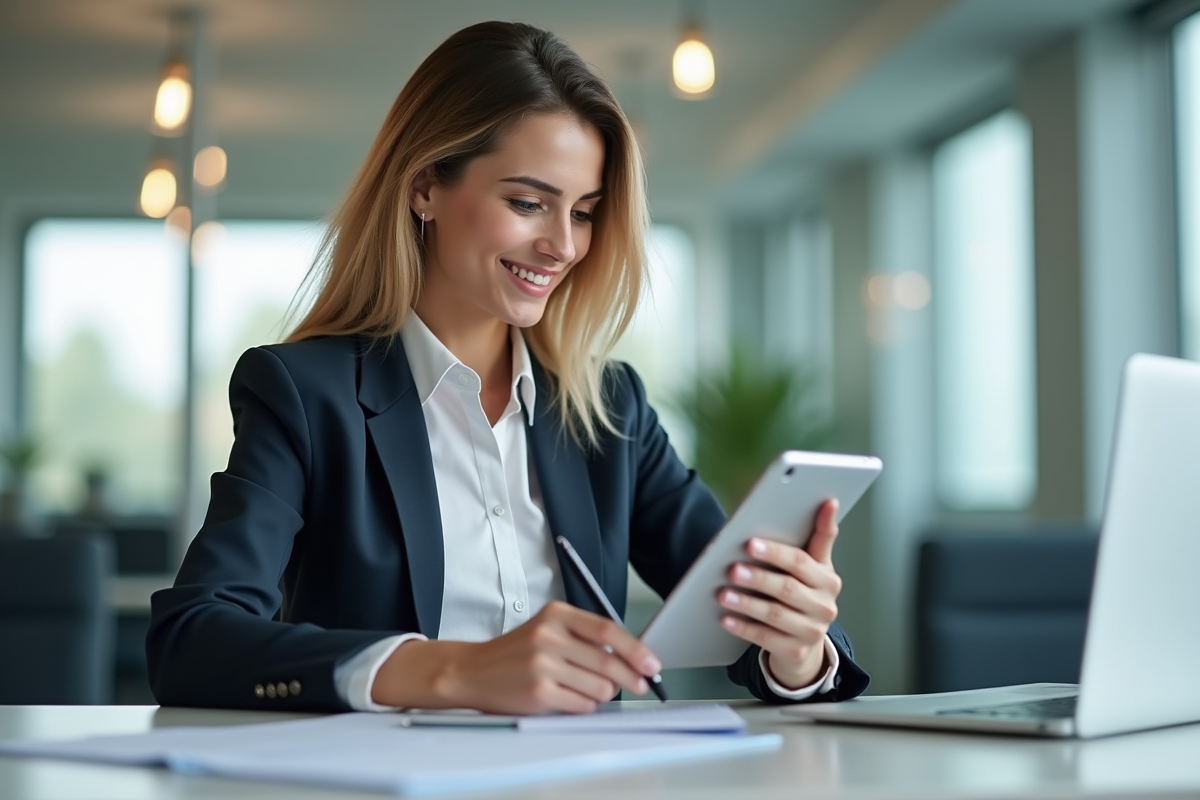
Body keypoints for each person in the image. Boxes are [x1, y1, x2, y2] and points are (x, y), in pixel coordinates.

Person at [146, 20, 869, 714]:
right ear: (424, 186)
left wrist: (794, 646)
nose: (562, 245)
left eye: (584, 211)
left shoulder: (609, 408)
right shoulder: (306, 395)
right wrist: (453, 669)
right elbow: (191, 640)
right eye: (528, 203)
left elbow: (736, 618)